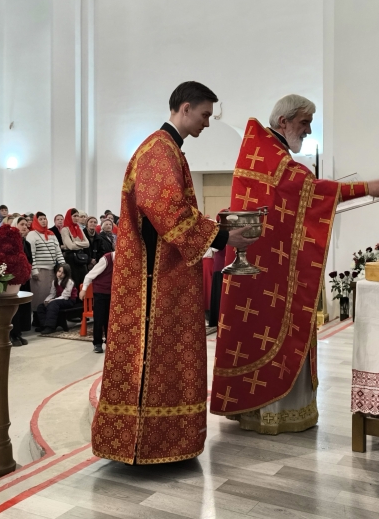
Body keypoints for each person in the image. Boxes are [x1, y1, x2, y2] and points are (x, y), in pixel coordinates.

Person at [91, 81, 258, 465]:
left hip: (165, 278)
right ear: (185, 108)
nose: (207, 123)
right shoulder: (158, 150)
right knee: (152, 361)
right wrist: (222, 236)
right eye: (204, 115)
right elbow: (165, 209)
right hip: (153, 285)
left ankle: (165, 443)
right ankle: (144, 445)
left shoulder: (169, 150)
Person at [211, 95, 379, 435]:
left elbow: (303, 194)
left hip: (270, 271)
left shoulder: (268, 155)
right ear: (283, 122)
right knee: (266, 333)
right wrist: (365, 187)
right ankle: (271, 413)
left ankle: (259, 410)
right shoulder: (271, 159)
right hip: (265, 275)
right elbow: (311, 190)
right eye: (304, 123)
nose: (309, 131)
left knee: (264, 333)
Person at [26, 212, 65, 310]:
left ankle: (48, 315)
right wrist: (34, 271)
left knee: (51, 295)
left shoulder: (51, 234)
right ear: (36, 221)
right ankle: (38, 315)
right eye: (40, 219)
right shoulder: (32, 234)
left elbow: (58, 252)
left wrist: (63, 266)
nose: (43, 221)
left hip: (52, 270)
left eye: (45, 218)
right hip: (40, 270)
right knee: (40, 296)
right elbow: (31, 255)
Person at [80, 251, 114, 353]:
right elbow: (89, 275)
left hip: (113, 292)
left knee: (110, 319)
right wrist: (84, 290)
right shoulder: (106, 259)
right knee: (99, 318)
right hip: (100, 292)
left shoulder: (124, 261)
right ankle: (97, 343)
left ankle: (109, 341)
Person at [10, 216, 34, 346]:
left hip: (24, 278)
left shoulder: (26, 243)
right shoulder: (11, 242)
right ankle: (13, 334)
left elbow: (30, 260)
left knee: (23, 306)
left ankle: (19, 333)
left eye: (26, 224)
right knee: (14, 307)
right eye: (22, 224)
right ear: (15, 225)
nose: (25, 227)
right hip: (13, 279)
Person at [36, 264, 77, 334]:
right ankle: (44, 325)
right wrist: (47, 300)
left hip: (69, 300)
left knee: (53, 304)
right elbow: (52, 293)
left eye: (63, 273)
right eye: (59, 271)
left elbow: (65, 296)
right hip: (60, 299)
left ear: (66, 274)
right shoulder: (54, 281)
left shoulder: (69, 282)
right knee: (41, 306)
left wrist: (53, 300)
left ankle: (50, 327)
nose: (60, 274)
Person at [60, 208, 90, 286]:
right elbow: (70, 247)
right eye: (74, 216)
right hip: (71, 258)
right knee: (74, 281)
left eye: (77, 216)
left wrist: (76, 243)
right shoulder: (65, 230)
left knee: (84, 281)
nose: (77, 218)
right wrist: (81, 244)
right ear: (69, 217)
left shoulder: (79, 228)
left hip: (80, 257)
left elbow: (87, 244)